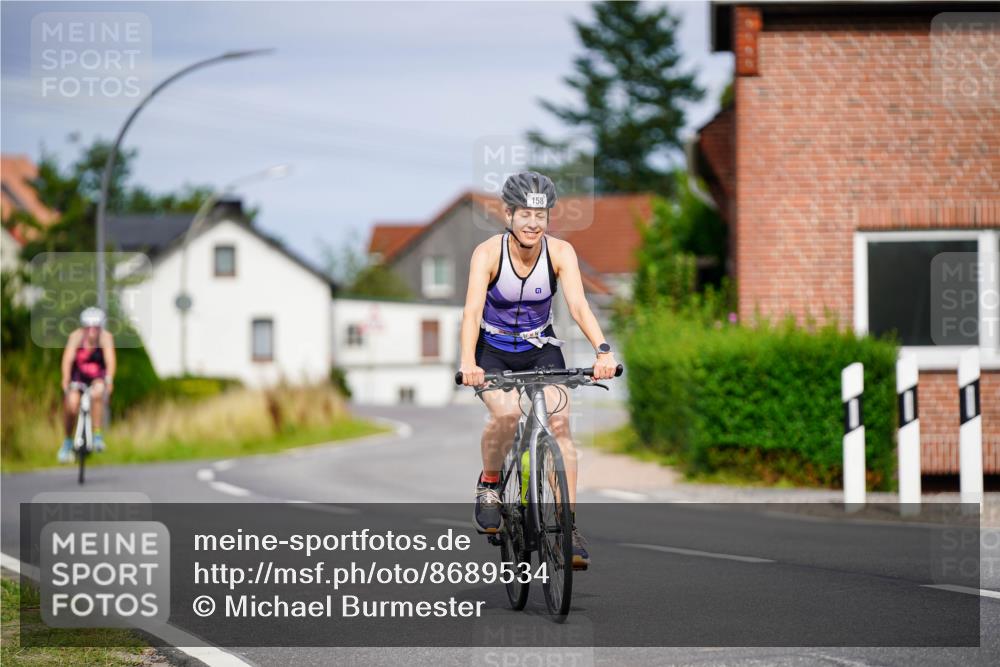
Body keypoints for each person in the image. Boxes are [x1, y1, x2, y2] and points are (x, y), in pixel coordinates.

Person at [458, 171, 618, 570]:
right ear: (508, 215)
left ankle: (568, 528)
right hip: (493, 351)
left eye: (541, 215)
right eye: (526, 214)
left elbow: (579, 306)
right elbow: (472, 312)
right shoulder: (487, 254)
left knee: (560, 426)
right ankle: (490, 484)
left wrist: (602, 351)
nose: (533, 223)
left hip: (541, 349)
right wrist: (468, 363)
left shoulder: (560, 253)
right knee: (508, 413)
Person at [58, 307, 116, 463]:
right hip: (78, 377)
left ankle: (97, 435)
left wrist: (109, 380)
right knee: (72, 404)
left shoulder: (106, 338)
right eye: (88, 327)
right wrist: (66, 378)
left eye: (95, 328)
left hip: (97, 377)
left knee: (98, 393)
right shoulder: (75, 337)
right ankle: (67, 441)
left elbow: (110, 360)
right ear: (83, 327)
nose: (92, 331)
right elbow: (67, 359)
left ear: (100, 327)